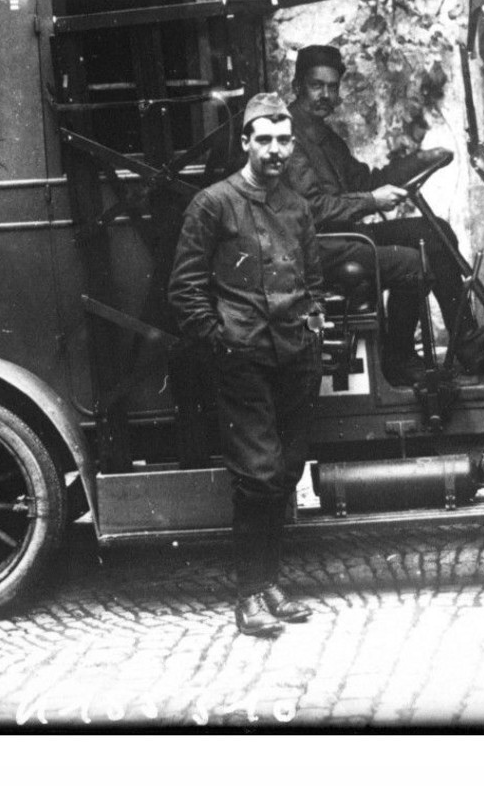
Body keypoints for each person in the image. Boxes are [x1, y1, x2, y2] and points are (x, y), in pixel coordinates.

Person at [169, 92, 325, 637]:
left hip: (294, 356)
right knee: (257, 476)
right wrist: (221, 341)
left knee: (285, 472)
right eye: (265, 139)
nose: (276, 150)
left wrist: (313, 327)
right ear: (245, 143)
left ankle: (270, 584)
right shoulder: (213, 204)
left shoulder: (297, 207)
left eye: (284, 140)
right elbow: (185, 288)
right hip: (243, 359)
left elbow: (313, 279)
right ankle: (249, 595)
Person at [284, 43, 484, 382]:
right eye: (316, 85)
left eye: (332, 86)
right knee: (415, 262)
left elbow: (366, 180)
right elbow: (313, 210)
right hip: (318, 249)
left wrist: (421, 159)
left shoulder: (325, 137)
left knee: (435, 230)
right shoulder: (289, 139)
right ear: (298, 86)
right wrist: (371, 201)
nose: (325, 94)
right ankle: (398, 356)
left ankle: (466, 341)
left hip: (345, 238)